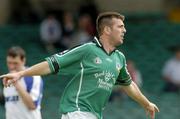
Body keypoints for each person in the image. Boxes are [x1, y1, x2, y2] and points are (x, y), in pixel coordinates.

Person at [0, 12, 159, 119]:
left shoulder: (119, 58)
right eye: (120, 26)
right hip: (77, 112)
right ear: (107, 30)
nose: (124, 30)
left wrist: (146, 103)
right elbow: (51, 64)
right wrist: (21, 74)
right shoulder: (88, 49)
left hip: (94, 115)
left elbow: (128, 84)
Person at [3, 46, 43, 119]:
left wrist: (16, 83)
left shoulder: (33, 77)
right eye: (9, 63)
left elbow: (32, 105)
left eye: (15, 63)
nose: (11, 67)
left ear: (23, 61)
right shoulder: (7, 79)